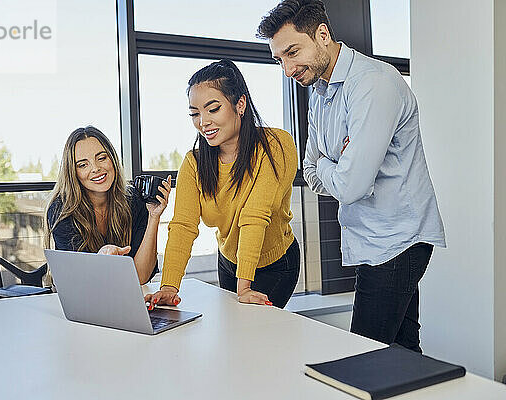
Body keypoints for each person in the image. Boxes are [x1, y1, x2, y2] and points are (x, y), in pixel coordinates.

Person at [257, 0, 446, 351]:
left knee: (364, 355)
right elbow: (308, 170)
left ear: (323, 35)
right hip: (370, 241)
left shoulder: (372, 84)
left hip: (396, 240)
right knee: (402, 352)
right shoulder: (319, 94)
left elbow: (351, 185)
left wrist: (330, 167)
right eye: (279, 59)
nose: (287, 69)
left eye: (292, 52)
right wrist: (336, 165)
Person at [145, 59, 300, 309]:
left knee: (256, 333)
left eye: (213, 109)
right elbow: (183, 226)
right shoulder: (194, 163)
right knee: (235, 335)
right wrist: (168, 286)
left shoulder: (276, 145)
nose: (203, 122)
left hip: (276, 264)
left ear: (240, 105)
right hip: (229, 261)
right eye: (195, 113)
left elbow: (254, 215)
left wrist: (244, 288)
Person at [45, 126, 171, 286]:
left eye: (102, 158)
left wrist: (154, 217)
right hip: (82, 302)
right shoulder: (62, 211)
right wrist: (102, 261)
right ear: (73, 172)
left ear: (112, 159)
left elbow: (141, 277)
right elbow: (78, 284)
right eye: (83, 165)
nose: (96, 168)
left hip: (124, 299)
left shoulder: (134, 201)